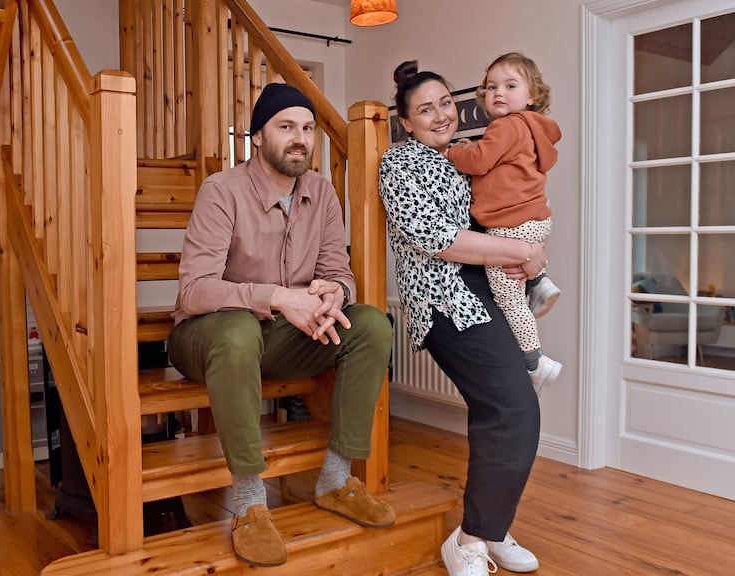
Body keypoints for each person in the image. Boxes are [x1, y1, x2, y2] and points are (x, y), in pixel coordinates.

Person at [168, 82, 395, 568]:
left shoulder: (322, 192)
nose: (300, 138)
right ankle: (250, 502)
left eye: (308, 128)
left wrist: (338, 293)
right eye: (286, 127)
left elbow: (340, 269)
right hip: (206, 337)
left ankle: (335, 479)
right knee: (237, 330)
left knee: (372, 324)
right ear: (258, 137)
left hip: (280, 339)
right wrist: (277, 296)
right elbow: (194, 290)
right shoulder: (221, 191)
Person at [380, 61, 544, 576]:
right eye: (424, 109)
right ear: (406, 121)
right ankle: (470, 539)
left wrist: (525, 251)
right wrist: (517, 249)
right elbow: (439, 239)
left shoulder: (463, 157)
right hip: (445, 301)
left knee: (505, 411)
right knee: (513, 408)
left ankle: (488, 527)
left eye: (445, 103)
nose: (440, 115)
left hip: (487, 291)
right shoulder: (399, 164)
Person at [446, 52, 562, 395]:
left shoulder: (507, 125)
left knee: (509, 298)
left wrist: (454, 152)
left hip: (511, 227)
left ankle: (535, 361)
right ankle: (539, 281)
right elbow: (495, 159)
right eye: (492, 86)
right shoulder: (530, 128)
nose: (498, 92)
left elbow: (480, 161)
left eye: (510, 86)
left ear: (532, 96)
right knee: (519, 280)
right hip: (535, 221)